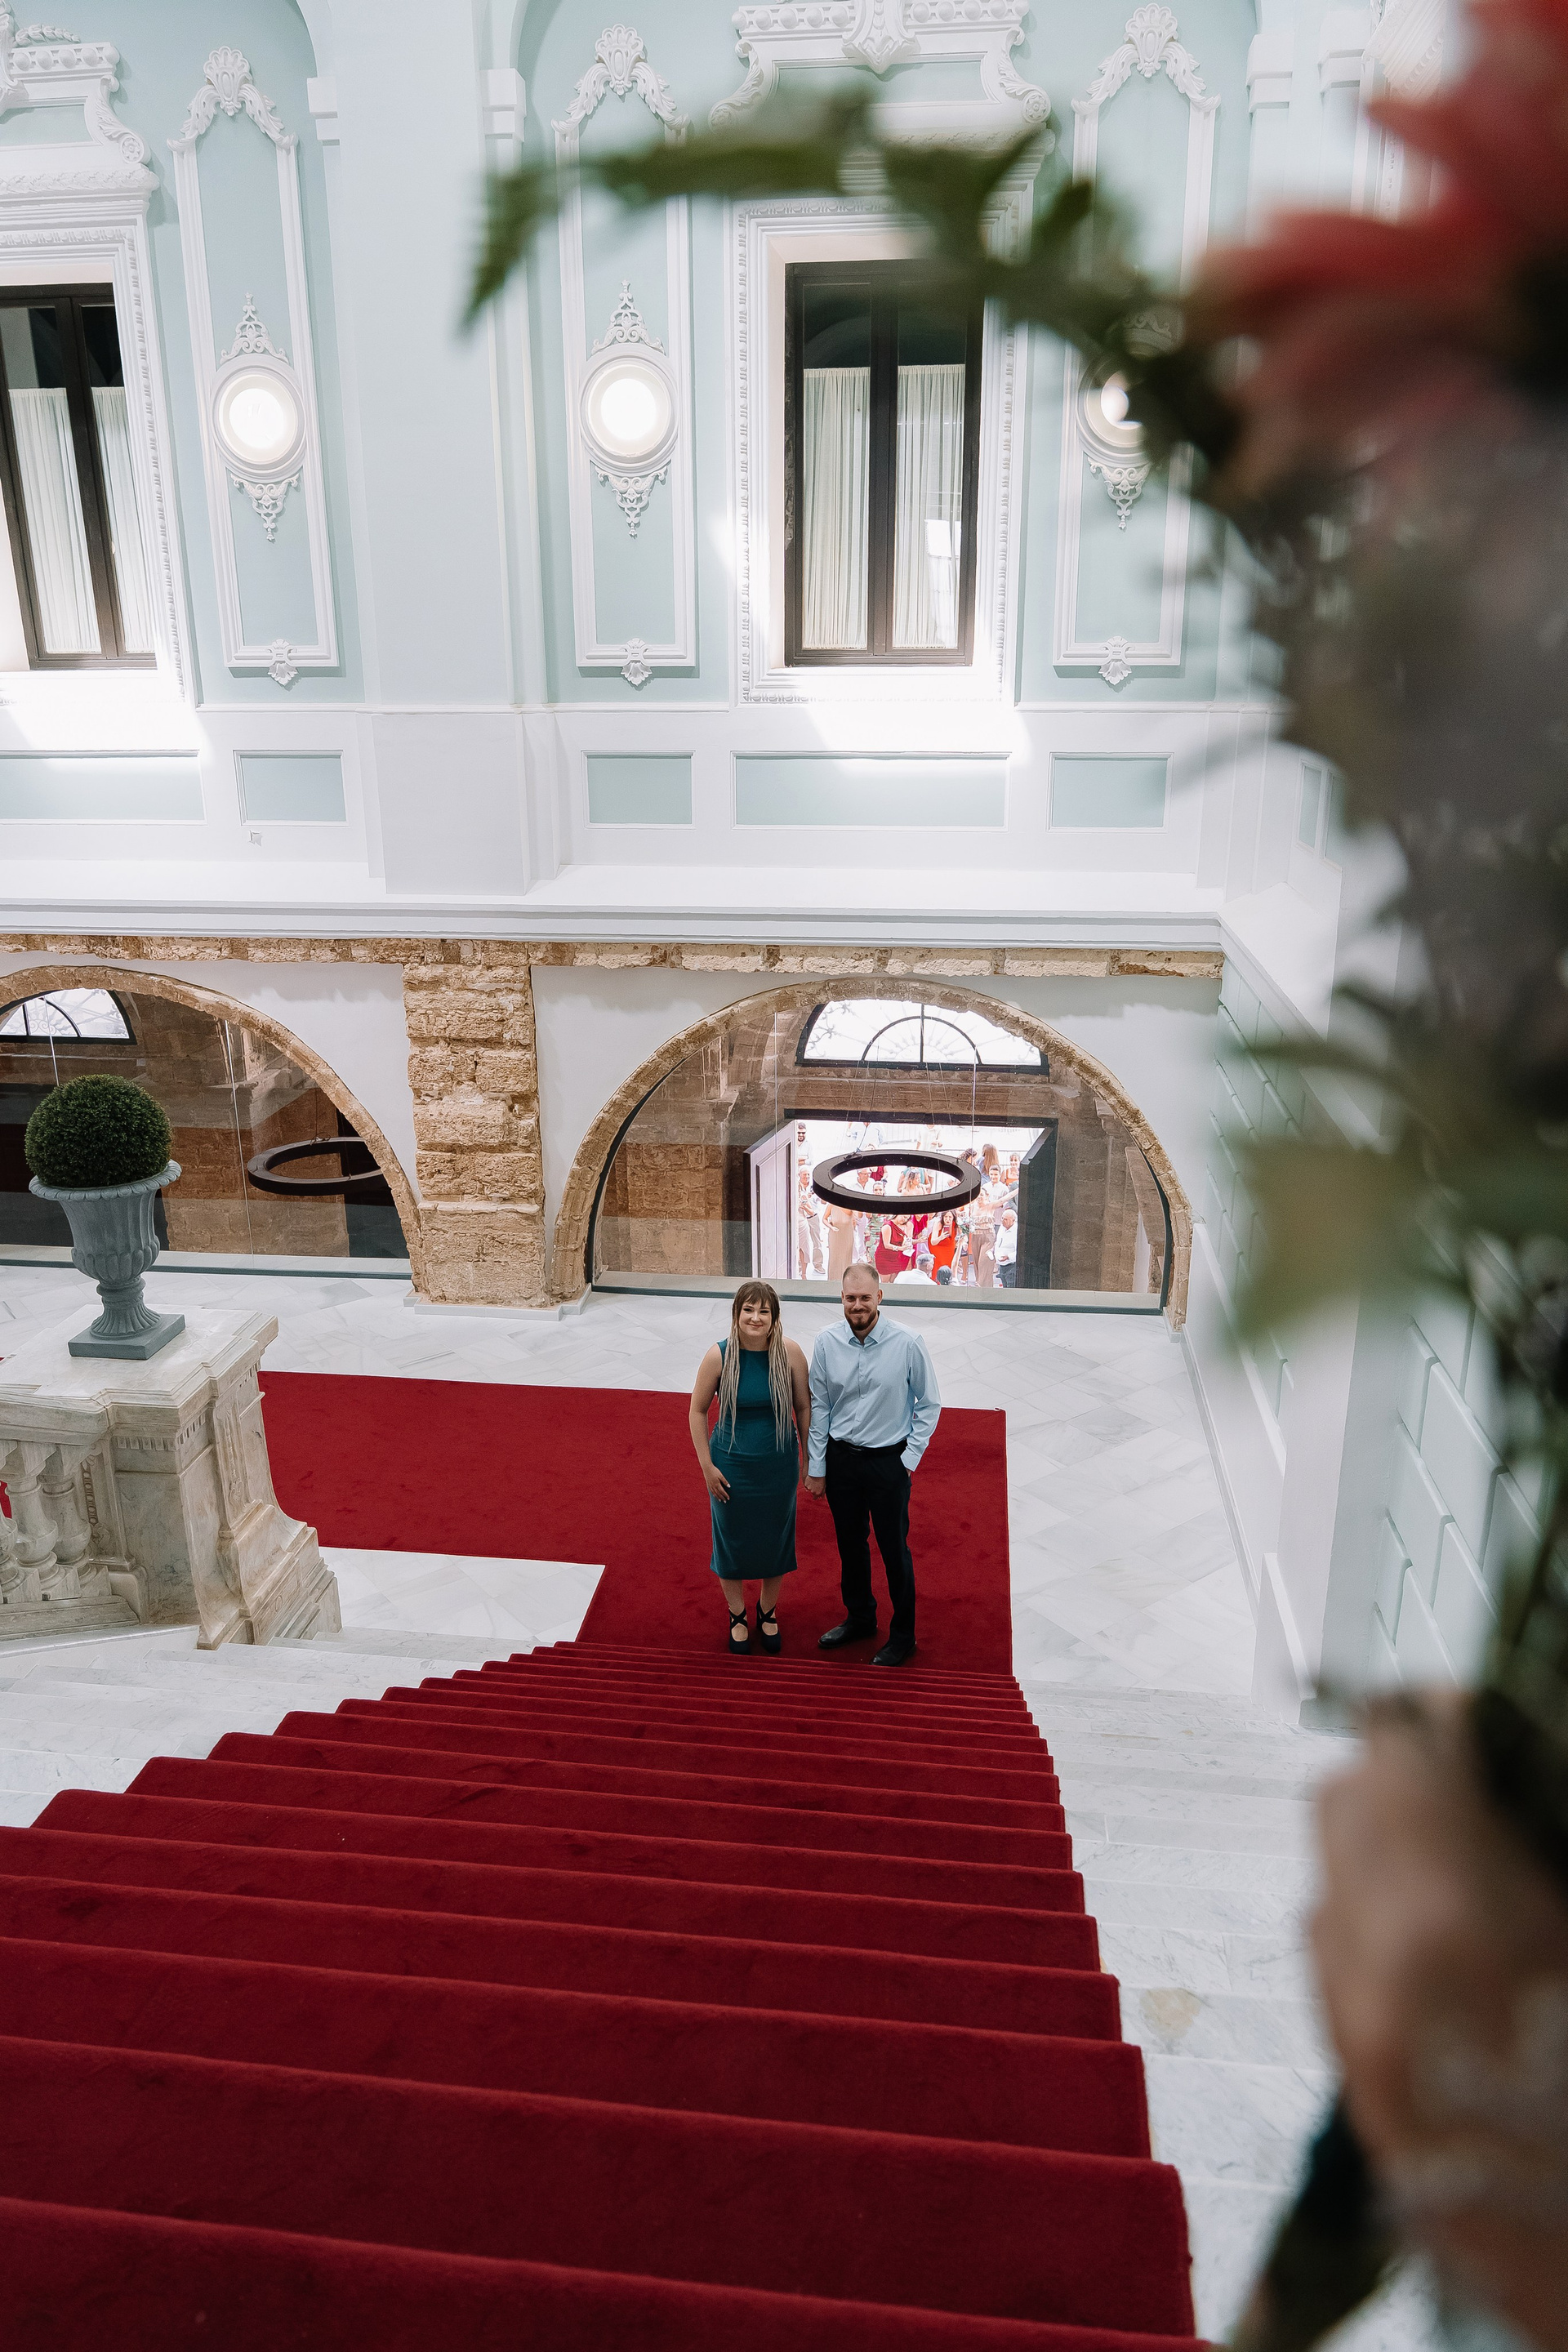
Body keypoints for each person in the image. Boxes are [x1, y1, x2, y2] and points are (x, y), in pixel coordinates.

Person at [804, 1263, 941, 1666]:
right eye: (850, 1298)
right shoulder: (826, 1342)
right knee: (850, 1546)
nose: (858, 1305)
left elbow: (929, 1403)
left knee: (894, 1549)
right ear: (841, 1298)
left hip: (887, 1463)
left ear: (880, 1297)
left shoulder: (907, 1343)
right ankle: (860, 1618)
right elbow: (820, 1406)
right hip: (842, 1461)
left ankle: (903, 1636)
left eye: (865, 1298)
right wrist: (817, 1466)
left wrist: (908, 1460)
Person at [688, 1281, 810, 1655]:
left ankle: (768, 1611)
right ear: (737, 1313)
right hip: (731, 1468)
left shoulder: (790, 1353)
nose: (755, 1318)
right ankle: (737, 1614)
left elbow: (803, 1407)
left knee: (776, 1539)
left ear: (774, 1317)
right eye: (748, 1310)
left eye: (764, 1311)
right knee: (732, 1540)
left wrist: (809, 1459)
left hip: (778, 1466)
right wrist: (707, 1467)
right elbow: (697, 1411)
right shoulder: (719, 1356)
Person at [993, 1202, 1019, 1289]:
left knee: (1010, 1288)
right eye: (1002, 1218)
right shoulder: (1002, 1227)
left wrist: (1008, 1257)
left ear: (1013, 1221)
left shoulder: (1016, 1232)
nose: (1003, 1221)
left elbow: (1019, 1251)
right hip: (1002, 1264)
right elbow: (999, 1242)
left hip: (1011, 1266)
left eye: (1006, 1220)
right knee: (1004, 1287)